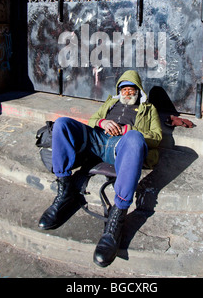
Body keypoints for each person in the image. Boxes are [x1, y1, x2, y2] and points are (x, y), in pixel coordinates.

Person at [38, 70, 162, 267]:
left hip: (121, 146)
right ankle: (65, 192)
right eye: (124, 89)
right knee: (62, 124)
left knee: (135, 139)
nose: (127, 93)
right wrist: (103, 122)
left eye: (131, 90)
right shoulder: (111, 103)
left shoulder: (148, 109)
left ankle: (117, 216)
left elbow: (156, 137)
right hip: (98, 140)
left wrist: (128, 130)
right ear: (119, 91)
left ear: (138, 91)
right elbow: (93, 121)